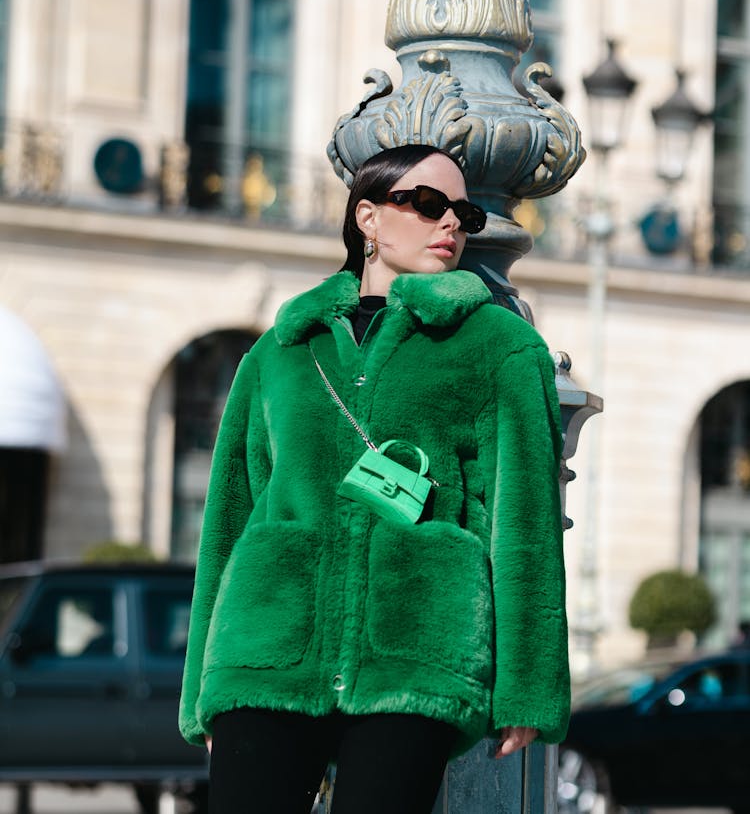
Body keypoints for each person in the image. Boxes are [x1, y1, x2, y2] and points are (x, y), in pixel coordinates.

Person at [179, 144, 570, 814]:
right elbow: (229, 519)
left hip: (415, 648)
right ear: (367, 216)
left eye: (465, 213)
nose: (450, 223)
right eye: (426, 204)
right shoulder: (279, 352)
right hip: (266, 646)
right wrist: (199, 694)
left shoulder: (500, 349)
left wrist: (527, 690)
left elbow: (526, 526)